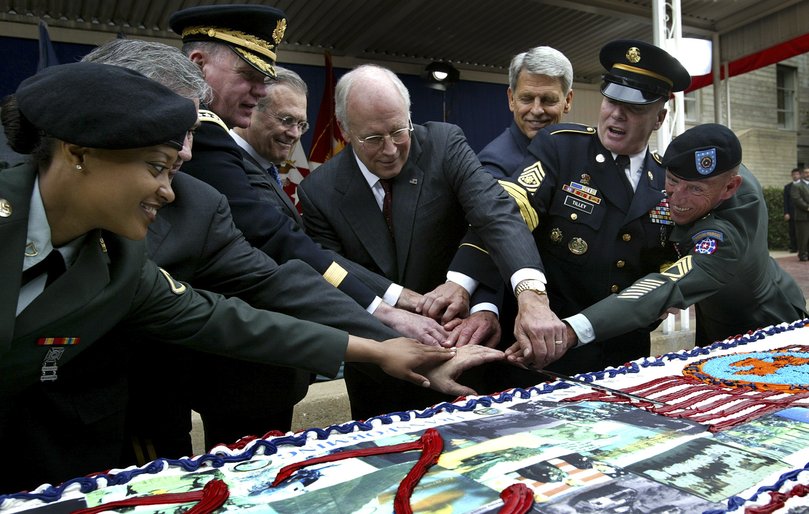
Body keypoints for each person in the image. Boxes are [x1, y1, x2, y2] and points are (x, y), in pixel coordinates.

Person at [0, 62, 495, 491]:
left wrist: (381, 350)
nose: (169, 192)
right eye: (158, 167)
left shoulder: (121, 259)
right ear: (79, 153)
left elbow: (231, 318)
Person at [169, 4, 446, 343]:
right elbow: (271, 240)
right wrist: (382, 316)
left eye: (302, 123)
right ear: (198, 64)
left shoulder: (213, 140)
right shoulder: (204, 134)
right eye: (249, 76)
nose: (258, 93)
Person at [297, 64, 547, 419]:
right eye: (373, 138)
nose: (390, 149)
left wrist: (525, 295)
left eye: (399, 130)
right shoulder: (319, 191)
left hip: (466, 353)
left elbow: (494, 216)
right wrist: (397, 322)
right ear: (345, 130)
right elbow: (332, 274)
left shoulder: (444, 145)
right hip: (381, 374)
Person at [446, 39, 691, 382]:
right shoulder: (561, 147)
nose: (616, 114)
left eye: (634, 108)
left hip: (624, 359)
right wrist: (461, 281)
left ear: (660, 118)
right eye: (611, 101)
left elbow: (671, 268)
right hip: (546, 356)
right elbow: (506, 214)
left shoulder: (667, 180)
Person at [531, 123, 806, 354]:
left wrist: (572, 330)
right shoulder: (719, 167)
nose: (677, 198)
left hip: (764, 326)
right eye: (673, 181)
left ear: (730, 187)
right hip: (714, 319)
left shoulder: (725, 235)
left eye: (695, 189)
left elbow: (666, 286)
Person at [477, 46, 574, 179]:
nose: (536, 110)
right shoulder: (493, 167)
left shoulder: (577, 154)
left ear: (567, 101)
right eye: (527, 99)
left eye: (548, 100)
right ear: (511, 99)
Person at [231, 66, 308, 227]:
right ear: (251, 109)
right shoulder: (227, 164)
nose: (296, 134)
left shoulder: (265, 166)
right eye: (287, 120)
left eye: (301, 124)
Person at [791, 167, 809, 262]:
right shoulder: (797, 186)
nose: (808, 174)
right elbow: (796, 198)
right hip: (802, 216)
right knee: (803, 237)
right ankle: (802, 254)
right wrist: (807, 207)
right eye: (806, 172)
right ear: (802, 174)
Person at [784, 167, 802, 253]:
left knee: (802, 231)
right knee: (792, 231)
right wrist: (786, 212)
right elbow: (785, 201)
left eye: (797, 174)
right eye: (794, 174)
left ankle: (802, 248)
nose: (795, 176)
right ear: (791, 176)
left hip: (802, 212)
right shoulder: (787, 187)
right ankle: (794, 248)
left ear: (800, 175)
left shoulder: (804, 185)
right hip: (791, 212)